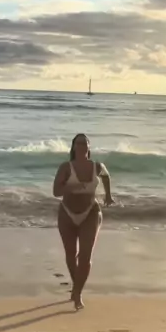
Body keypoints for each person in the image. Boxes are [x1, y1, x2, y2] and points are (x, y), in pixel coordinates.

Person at [53, 133, 114, 310]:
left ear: (89, 146)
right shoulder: (66, 167)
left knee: (85, 256)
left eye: (84, 143)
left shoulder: (97, 166)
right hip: (67, 213)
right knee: (71, 254)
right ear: (73, 147)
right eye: (78, 143)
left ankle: (78, 293)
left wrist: (108, 195)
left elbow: (106, 176)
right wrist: (71, 187)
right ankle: (76, 285)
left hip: (90, 213)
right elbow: (56, 191)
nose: (81, 146)